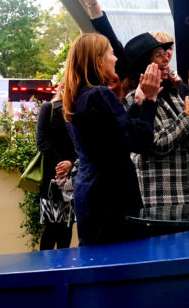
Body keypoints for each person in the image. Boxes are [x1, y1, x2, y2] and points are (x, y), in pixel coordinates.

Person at [63, 33, 161, 246]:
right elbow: (140, 142)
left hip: (90, 191)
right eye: (111, 52)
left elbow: (115, 134)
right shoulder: (99, 94)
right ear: (99, 60)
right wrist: (151, 100)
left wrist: (137, 103)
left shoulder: (80, 96)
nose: (116, 59)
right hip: (112, 194)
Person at [122, 32, 189, 207]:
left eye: (166, 53)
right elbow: (158, 143)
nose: (166, 59)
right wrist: (188, 115)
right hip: (163, 198)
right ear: (144, 66)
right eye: (158, 55)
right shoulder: (136, 99)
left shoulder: (173, 93)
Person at [35, 85, 77, 249]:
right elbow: (42, 141)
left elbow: (85, 144)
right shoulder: (49, 108)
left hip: (70, 175)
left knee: (66, 226)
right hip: (53, 178)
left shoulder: (78, 110)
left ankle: (61, 270)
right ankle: (48, 271)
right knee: (51, 227)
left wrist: (70, 164)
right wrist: (63, 165)